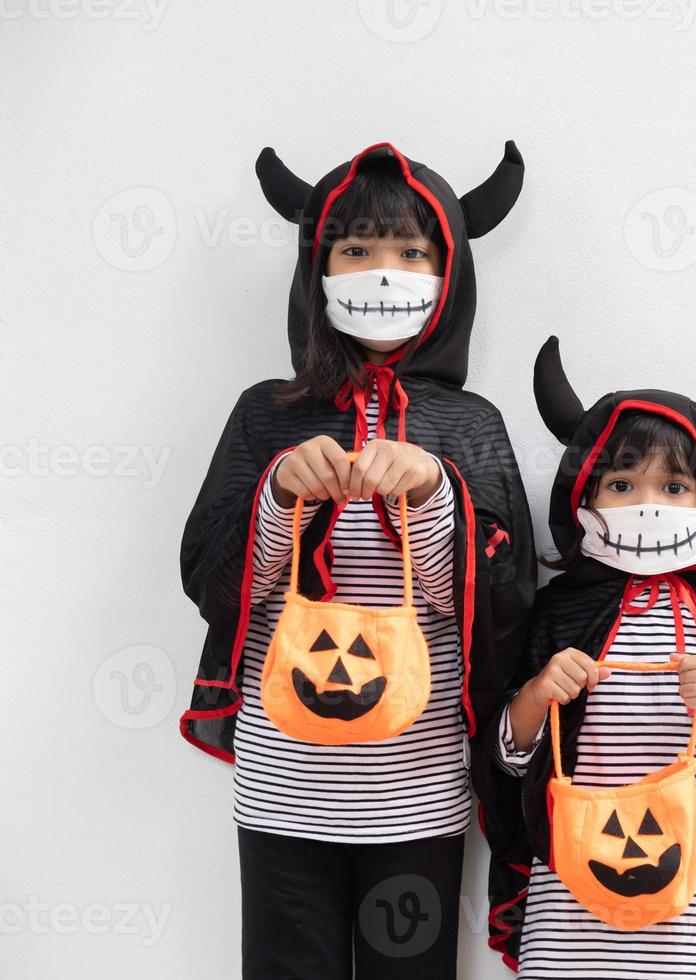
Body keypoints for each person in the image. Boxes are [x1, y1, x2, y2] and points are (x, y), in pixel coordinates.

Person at [177, 140, 536, 979]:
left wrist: (436, 496)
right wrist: (277, 495)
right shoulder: (264, 414)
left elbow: (506, 604)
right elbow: (212, 583)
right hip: (282, 793)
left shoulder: (473, 426)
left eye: (412, 251)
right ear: (319, 268)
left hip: (416, 798)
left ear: (448, 274)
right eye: (358, 248)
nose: (384, 271)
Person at [476, 335, 696, 977]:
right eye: (621, 483)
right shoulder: (560, 612)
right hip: (571, 905)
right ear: (584, 498)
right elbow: (504, 754)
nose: (648, 505)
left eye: (674, 487)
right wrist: (536, 698)